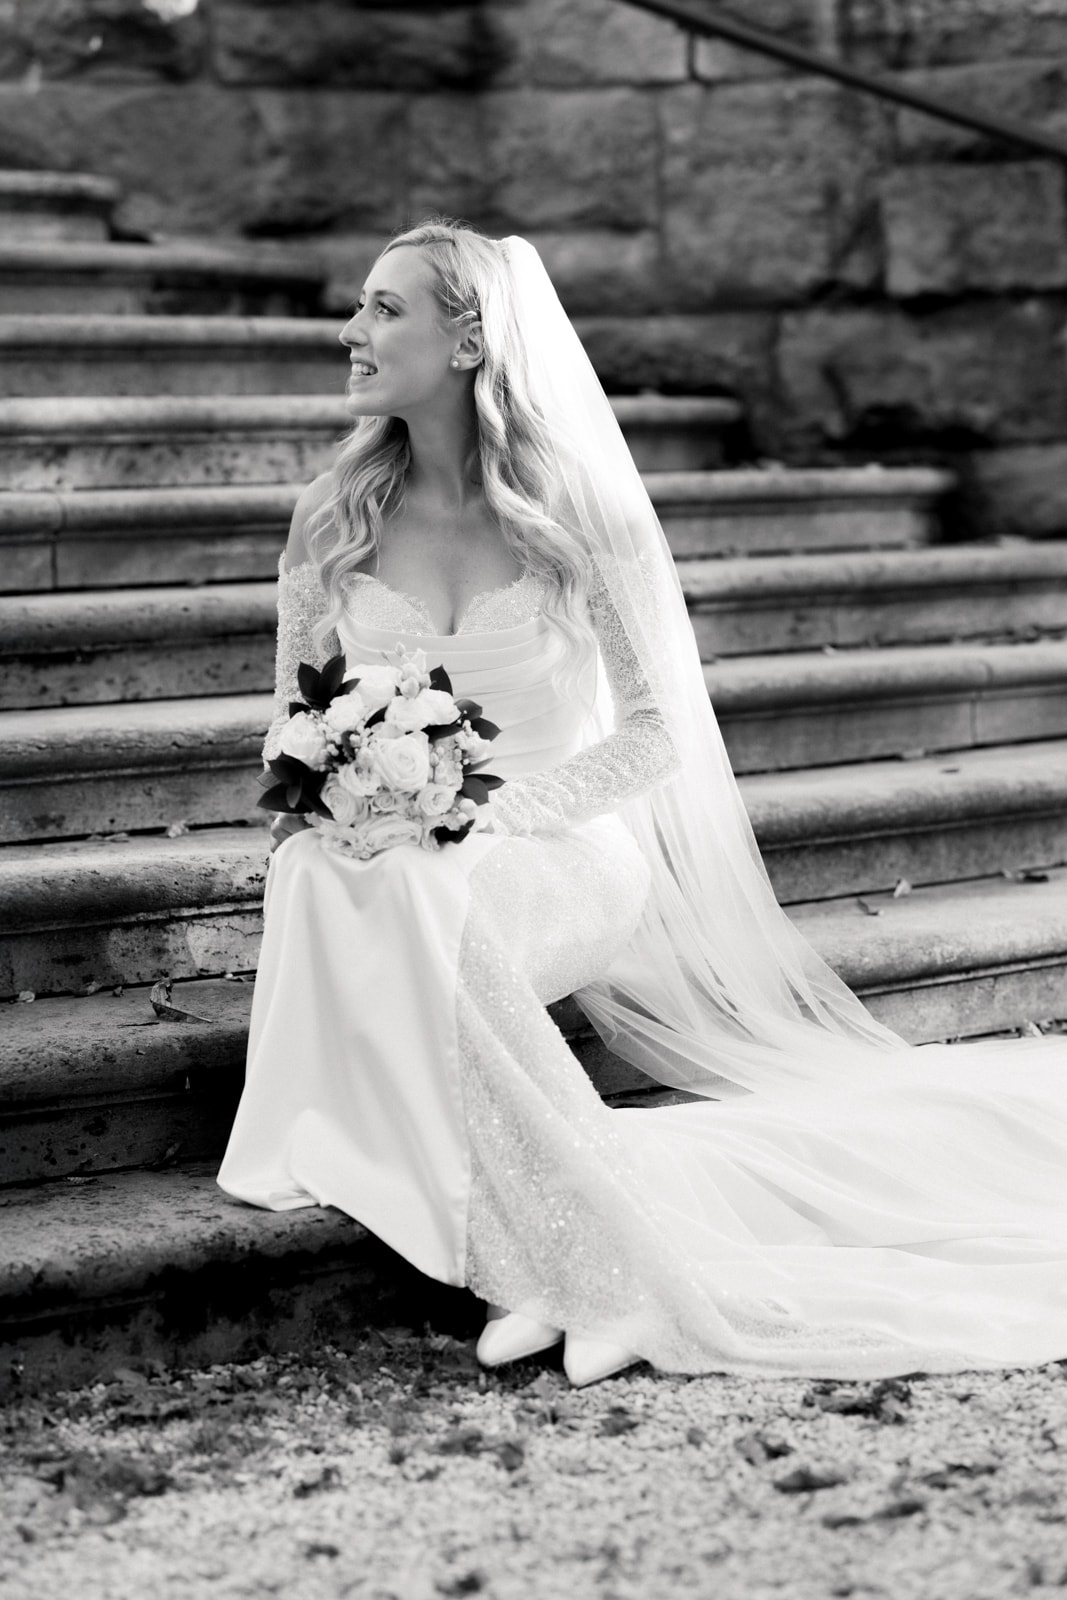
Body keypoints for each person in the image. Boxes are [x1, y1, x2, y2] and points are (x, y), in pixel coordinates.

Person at [218, 220, 1067, 1388]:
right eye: (359, 307)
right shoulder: (332, 512)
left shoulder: (575, 513)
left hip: (564, 846)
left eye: (382, 308)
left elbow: (655, 736)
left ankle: (588, 1267)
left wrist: (495, 817)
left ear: (467, 340)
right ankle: (557, 1254)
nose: (351, 332)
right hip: (393, 850)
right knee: (324, 871)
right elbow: (290, 724)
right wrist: (347, 794)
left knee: (429, 893)